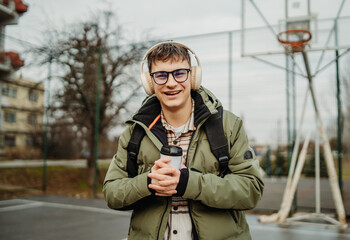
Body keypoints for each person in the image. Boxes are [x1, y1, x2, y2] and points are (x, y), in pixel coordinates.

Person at [103, 41, 264, 240]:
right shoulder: (134, 132)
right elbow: (112, 193)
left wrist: (188, 182)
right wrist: (149, 182)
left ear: (193, 76)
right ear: (149, 82)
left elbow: (251, 189)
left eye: (179, 73)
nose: (171, 83)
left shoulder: (228, 126)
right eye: (161, 75)